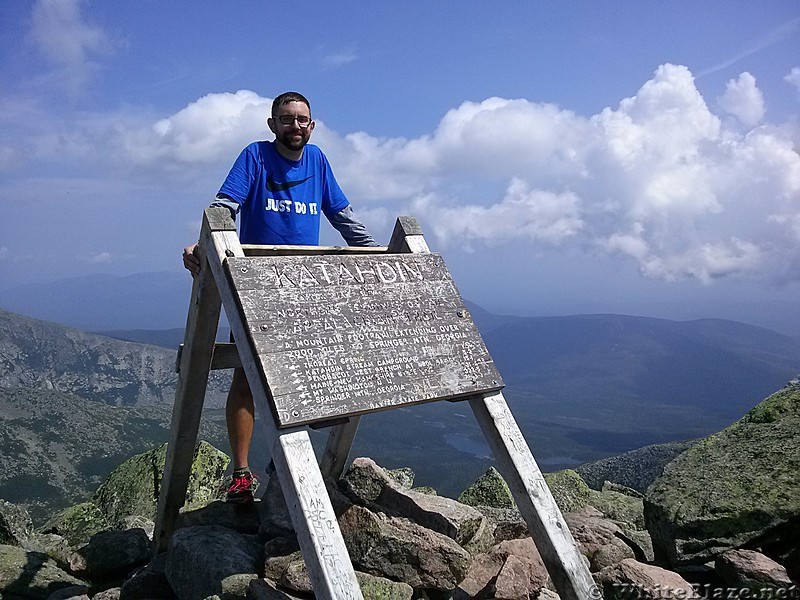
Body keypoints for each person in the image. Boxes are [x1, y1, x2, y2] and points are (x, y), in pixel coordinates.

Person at [182, 91, 377, 503]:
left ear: (313, 124)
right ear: (272, 125)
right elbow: (225, 206)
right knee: (246, 377)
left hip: (305, 284)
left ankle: (294, 451)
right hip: (253, 283)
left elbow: (342, 217)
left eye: (302, 119)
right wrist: (203, 243)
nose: (295, 126)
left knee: (317, 363)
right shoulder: (255, 156)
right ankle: (240, 473)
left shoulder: (318, 160)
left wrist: (377, 254)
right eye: (286, 119)